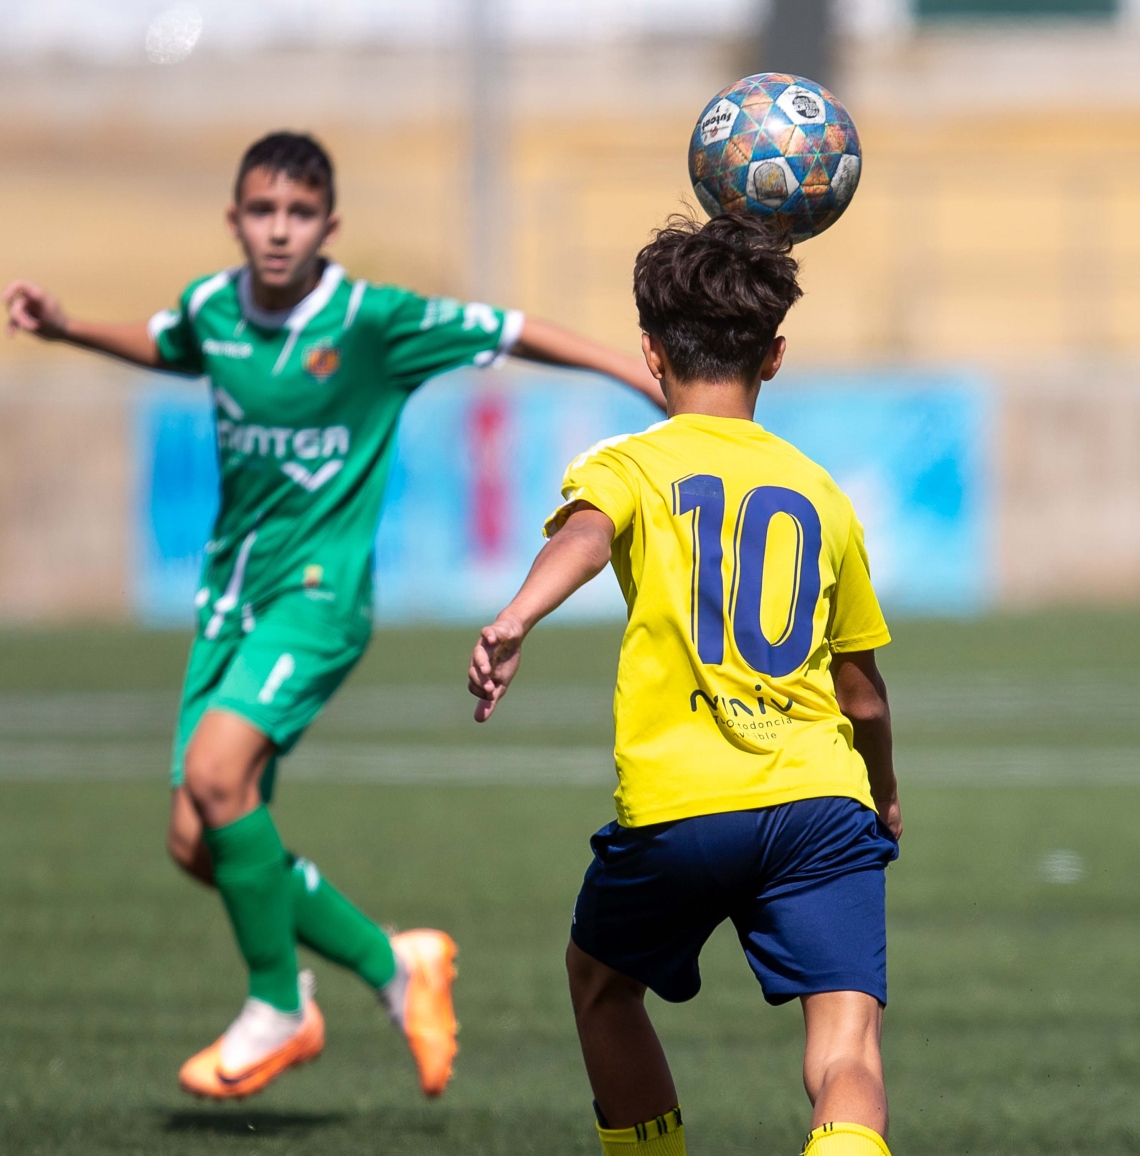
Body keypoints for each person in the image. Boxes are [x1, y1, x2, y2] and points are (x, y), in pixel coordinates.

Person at [4, 131, 664, 1103]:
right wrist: (68, 329)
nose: (279, 230)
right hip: (229, 602)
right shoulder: (212, 309)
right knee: (202, 840)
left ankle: (280, 1003)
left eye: (299, 213)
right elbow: (170, 344)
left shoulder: (369, 321)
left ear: (329, 224)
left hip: (319, 597)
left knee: (217, 774)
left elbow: (513, 327)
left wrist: (634, 372)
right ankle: (397, 964)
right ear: (235, 220)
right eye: (263, 212)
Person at [468, 212, 902, 1156]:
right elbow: (861, 692)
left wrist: (517, 614)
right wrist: (887, 796)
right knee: (846, 1044)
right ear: (775, 356)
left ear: (651, 352)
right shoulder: (822, 493)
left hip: (681, 808)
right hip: (821, 801)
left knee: (600, 982)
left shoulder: (633, 463)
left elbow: (583, 536)